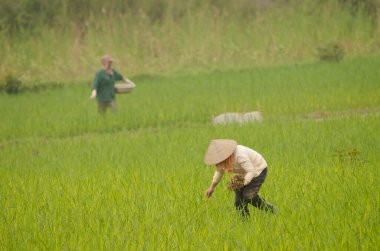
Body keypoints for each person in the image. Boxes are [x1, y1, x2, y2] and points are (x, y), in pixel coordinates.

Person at [204, 139, 275, 217]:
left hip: (258, 169)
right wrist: (212, 187)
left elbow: (252, 171)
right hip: (243, 172)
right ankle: (245, 222)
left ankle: (272, 210)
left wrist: (242, 183)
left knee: (249, 196)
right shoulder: (222, 160)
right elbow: (219, 171)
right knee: (239, 202)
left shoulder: (240, 155)